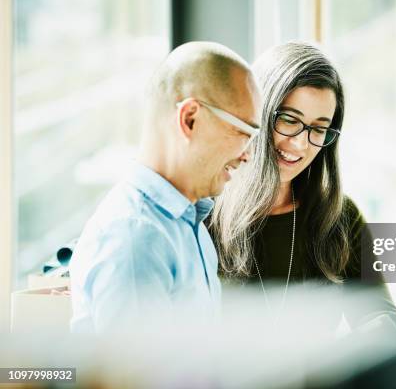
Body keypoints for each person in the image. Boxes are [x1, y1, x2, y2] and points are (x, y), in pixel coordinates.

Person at [211, 42, 396, 342]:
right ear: (258, 113)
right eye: (290, 120)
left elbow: (388, 324)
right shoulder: (203, 213)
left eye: (318, 129)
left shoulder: (339, 217)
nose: (301, 145)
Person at [70, 41, 261, 332]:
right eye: (243, 132)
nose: (247, 154)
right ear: (190, 119)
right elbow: (138, 376)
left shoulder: (187, 225)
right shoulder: (136, 238)